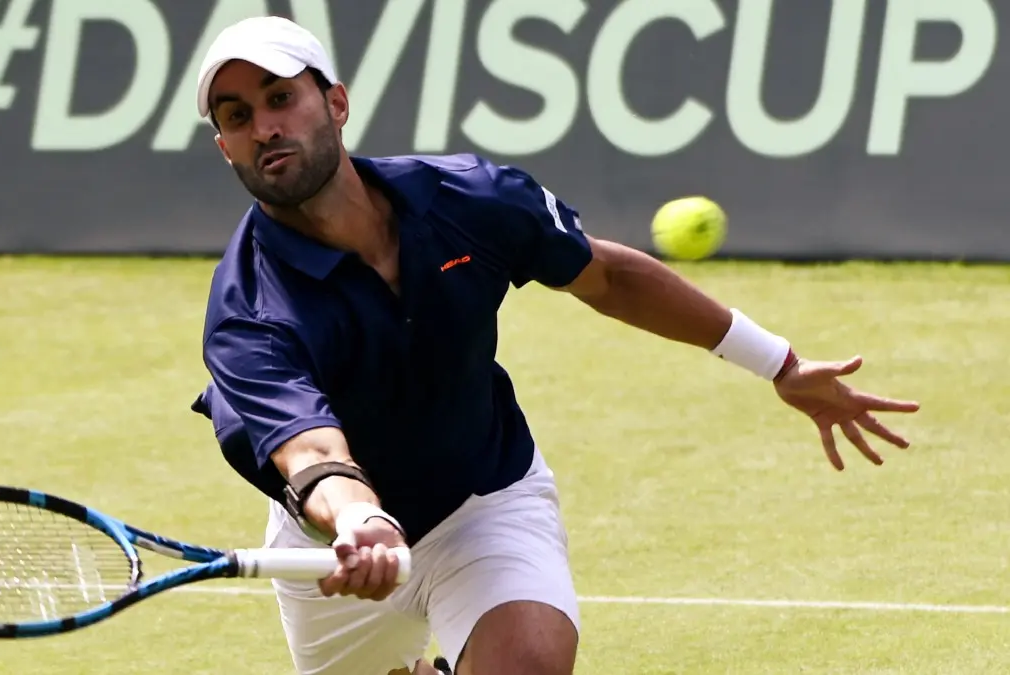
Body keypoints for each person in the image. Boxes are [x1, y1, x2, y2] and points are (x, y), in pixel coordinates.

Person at [188, 15, 920, 675]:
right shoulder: (247, 310)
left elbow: (606, 277)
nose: (265, 127)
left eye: (281, 97)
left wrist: (779, 363)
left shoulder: (469, 198)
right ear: (225, 149)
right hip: (336, 551)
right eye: (238, 116)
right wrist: (359, 519)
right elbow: (313, 453)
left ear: (336, 104)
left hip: (484, 498)